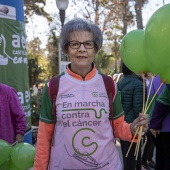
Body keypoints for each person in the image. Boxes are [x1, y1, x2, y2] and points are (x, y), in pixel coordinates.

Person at [34, 18, 148, 170]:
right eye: (75, 43)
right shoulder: (53, 86)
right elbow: (43, 138)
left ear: (95, 49)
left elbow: (118, 126)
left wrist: (132, 129)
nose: (82, 49)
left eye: (88, 44)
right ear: (66, 49)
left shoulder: (109, 85)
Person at [117, 62, 144, 170]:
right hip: (134, 126)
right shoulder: (138, 84)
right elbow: (139, 109)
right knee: (133, 157)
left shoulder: (119, 82)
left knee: (127, 156)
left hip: (122, 125)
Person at [141, 75, 165, 170]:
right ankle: (145, 161)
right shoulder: (160, 81)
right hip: (159, 122)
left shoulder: (152, 82)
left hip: (152, 120)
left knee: (159, 153)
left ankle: (148, 161)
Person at [150, 83, 170, 170]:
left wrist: (154, 124)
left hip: (160, 126)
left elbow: (157, 103)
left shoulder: (153, 81)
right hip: (164, 127)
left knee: (161, 157)